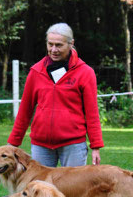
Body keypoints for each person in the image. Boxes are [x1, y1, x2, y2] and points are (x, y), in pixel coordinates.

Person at [7, 23, 104, 167]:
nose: (53, 50)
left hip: (73, 144)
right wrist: (13, 143)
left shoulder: (85, 72)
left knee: (72, 190)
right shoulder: (36, 71)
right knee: (39, 189)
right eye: (50, 44)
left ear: (71, 44)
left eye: (59, 45)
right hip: (41, 145)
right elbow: (25, 110)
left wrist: (95, 146)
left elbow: (92, 113)